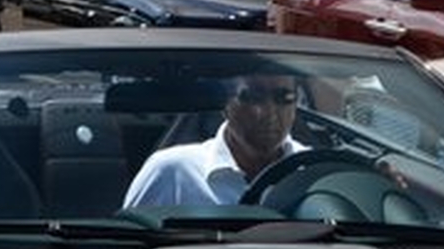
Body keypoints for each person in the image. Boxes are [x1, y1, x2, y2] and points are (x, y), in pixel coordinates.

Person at [121, 73, 307, 210]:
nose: (269, 113)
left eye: (284, 99)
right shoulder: (173, 171)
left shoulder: (316, 172)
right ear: (224, 105)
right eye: (253, 98)